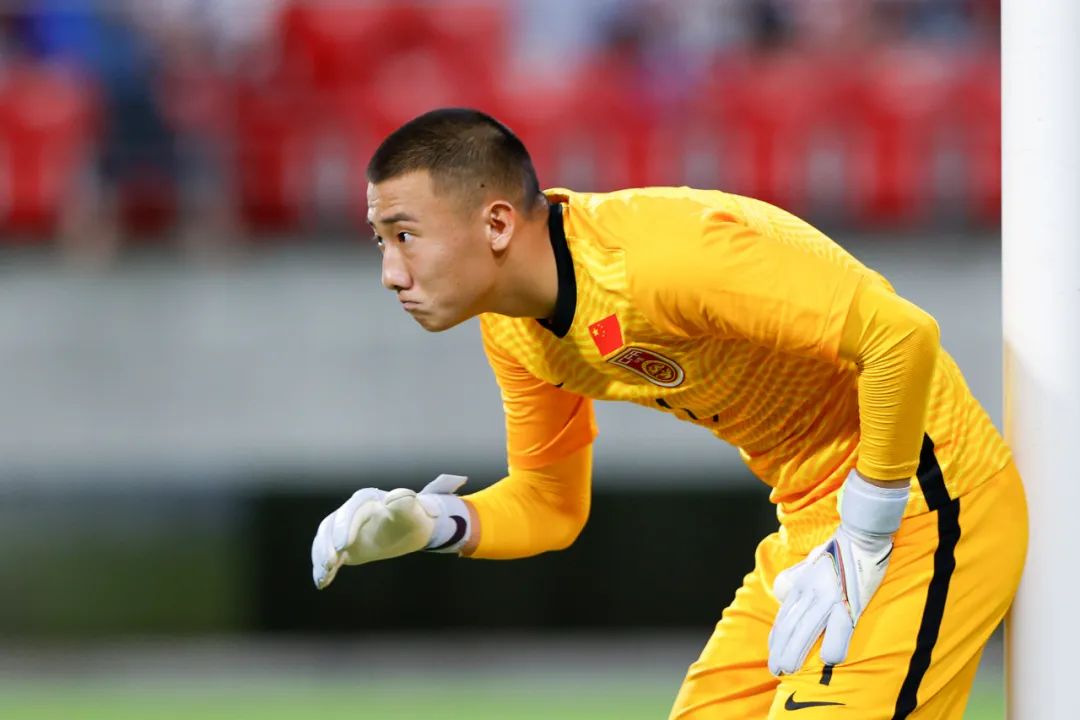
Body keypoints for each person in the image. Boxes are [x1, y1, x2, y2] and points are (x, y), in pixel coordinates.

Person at [309, 108, 1027, 719]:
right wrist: (434, 523)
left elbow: (901, 337)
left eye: (405, 235)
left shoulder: (657, 259)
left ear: (496, 223)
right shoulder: (513, 328)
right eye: (381, 241)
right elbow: (551, 504)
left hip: (927, 504)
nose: (390, 273)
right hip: (813, 530)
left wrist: (866, 536)